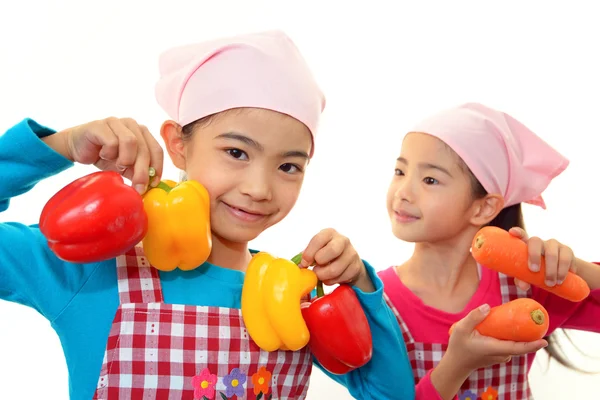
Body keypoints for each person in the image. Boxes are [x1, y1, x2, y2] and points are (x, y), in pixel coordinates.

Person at [0, 31, 415, 399]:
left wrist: (358, 283)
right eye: (236, 152)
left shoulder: (293, 297)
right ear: (178, 144)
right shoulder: (96, 270)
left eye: (288, 166)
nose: (259, 188)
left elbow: (391, 394)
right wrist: (61, 145)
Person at [377, 102, 600, 399]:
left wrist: (578, 270)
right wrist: (455, 366)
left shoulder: (525, 288)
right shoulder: (376, 301)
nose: (403, 191)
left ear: (484, 207)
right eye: (399, 171)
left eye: (430, 179)